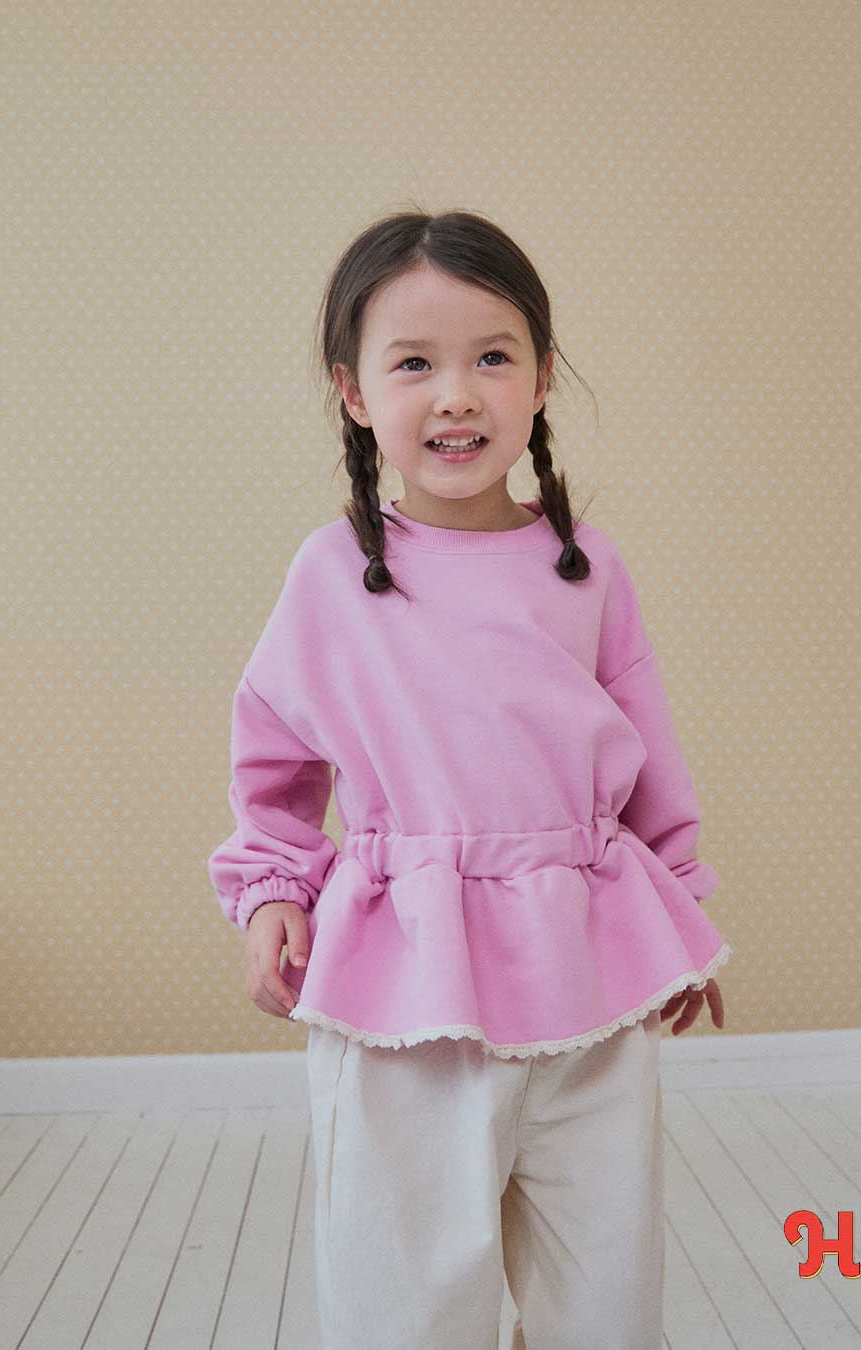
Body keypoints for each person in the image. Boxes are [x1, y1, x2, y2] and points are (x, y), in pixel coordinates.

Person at [207, 206, 732, 1350]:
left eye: (493, 357)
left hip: (586, 974)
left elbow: (647, 752)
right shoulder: (334, 574)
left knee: (606, 1291)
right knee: (405, 1298)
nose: (457, 396)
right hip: (405, 989)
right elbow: (275, 754)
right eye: (415, 364)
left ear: (541, 377)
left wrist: (679, 910)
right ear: (353, 393)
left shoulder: (583, 566)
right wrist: (274, 889)